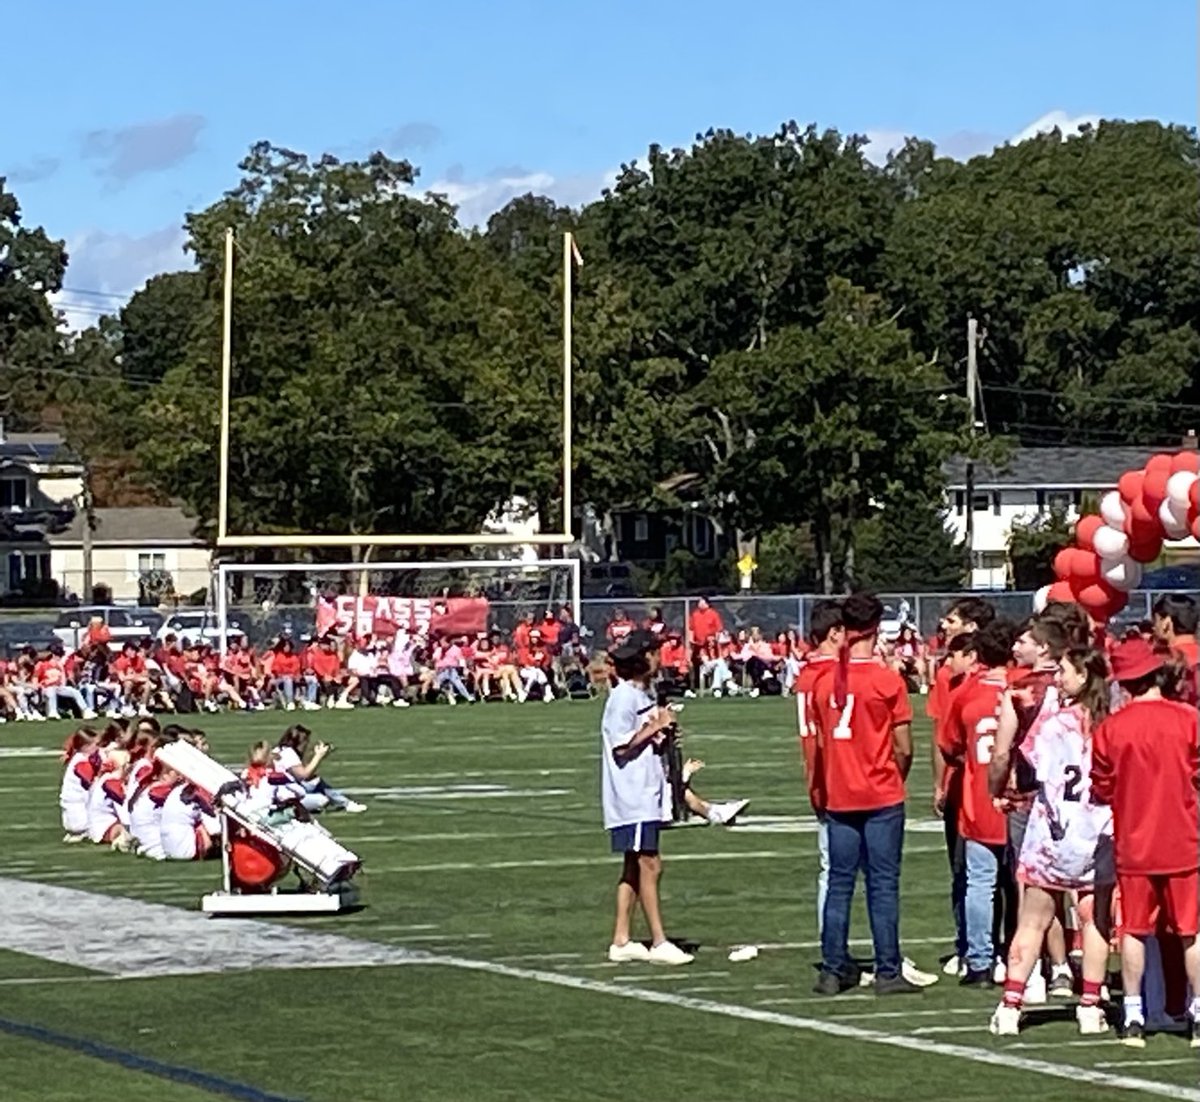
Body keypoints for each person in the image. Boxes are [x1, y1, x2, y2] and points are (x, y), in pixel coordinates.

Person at [990, 646, 1115, 1037]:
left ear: (1083, 676)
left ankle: (1010, 1006)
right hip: (1096, 832)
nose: (1057, 678)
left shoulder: (1054, 723)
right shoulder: (1110, 723)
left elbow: (1034, 768)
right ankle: (1090, 1007)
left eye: (1063, 671)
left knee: (1032, 921)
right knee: (1095, 920)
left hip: (1053, 834)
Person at [1090, 638, 1200, 1048]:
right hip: (1183, 839)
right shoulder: (1188, 719)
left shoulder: (1111, 729)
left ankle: (1134, 1013)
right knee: (1191, 931)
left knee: (1134, 930)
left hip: (1134, 842)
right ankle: (1197, 1012)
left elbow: (1101, 787)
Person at [810, 593, 918, 995]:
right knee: (883, 885)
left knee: (839, 885)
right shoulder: (886, 680)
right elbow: (904, 747)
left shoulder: (825, 682)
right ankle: (887, 970)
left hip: (841, 795)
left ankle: (832, 968)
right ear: (875, 630)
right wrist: (894, 777)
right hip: (880, 794)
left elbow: (821, 744)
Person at [600, 629, 692, 966]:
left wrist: (664, 734)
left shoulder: (643, 695)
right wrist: (654, 727)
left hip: (647, 792)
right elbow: (620, 745)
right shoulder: (623, 697)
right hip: (632, 796)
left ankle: (621, 939)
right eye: (654, 653)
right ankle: (659, 940)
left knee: (633, 866)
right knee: (650, 864)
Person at [937, 623, 1016, 987]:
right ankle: (1023, 960)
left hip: (979, 799)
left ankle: (980, 961)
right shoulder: (1024, 689)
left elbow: (950, 745)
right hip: (1018, 801)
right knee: (1022, 887)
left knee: (980, 884)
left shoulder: (966, 692)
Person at [928, 597, 995, 977]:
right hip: (968, 782)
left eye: (952, 620)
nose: (944, 624)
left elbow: (944, 741)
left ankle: (987, 948)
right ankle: (968, 943)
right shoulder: (948, 674)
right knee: (966, 871)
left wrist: (940, 784)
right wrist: (940, 784)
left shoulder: (975, 679)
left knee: (983, 872)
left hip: (977, 783)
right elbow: (942, 735)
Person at [796, 599, 844, 936]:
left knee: (830, 868)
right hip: (839, 776)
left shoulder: (806, 674)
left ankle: (831, 943)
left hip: (817, 774)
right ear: (835, 633)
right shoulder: (831, 675)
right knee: (869, 873)